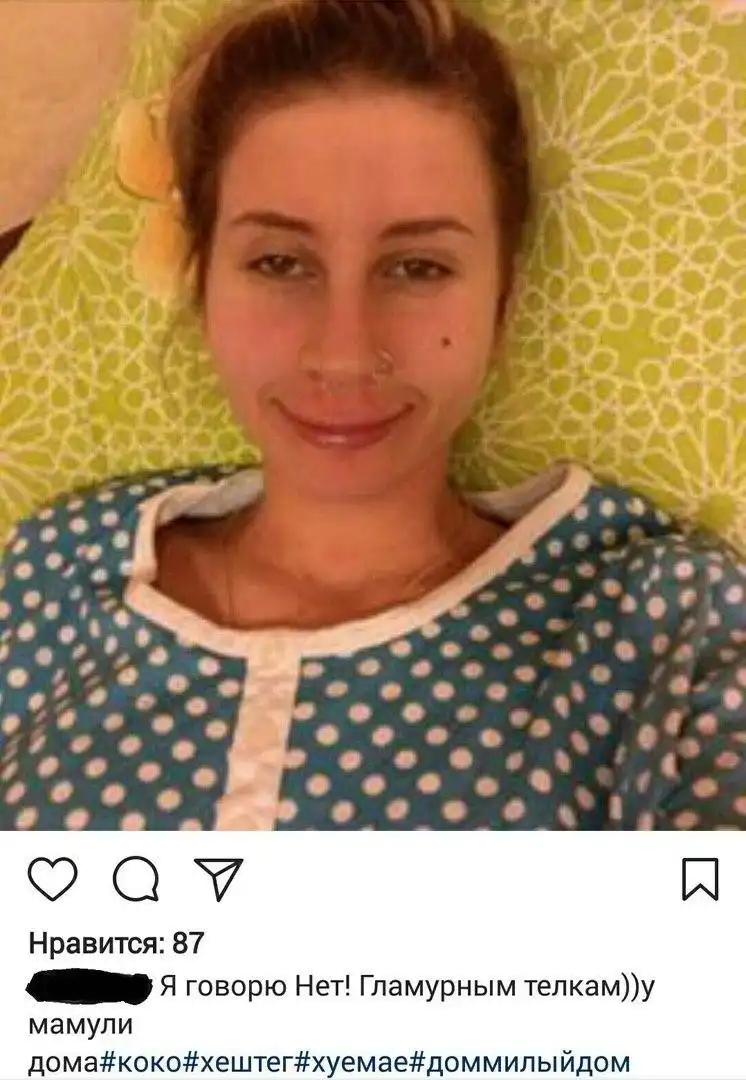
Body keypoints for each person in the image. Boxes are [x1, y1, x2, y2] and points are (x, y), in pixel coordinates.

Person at [1, 0, 745, 832]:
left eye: (418, 267)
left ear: (503, 302)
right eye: (279, 262)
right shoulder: (53, 573)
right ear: (202, 285)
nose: (345, 353)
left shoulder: (660, 624)